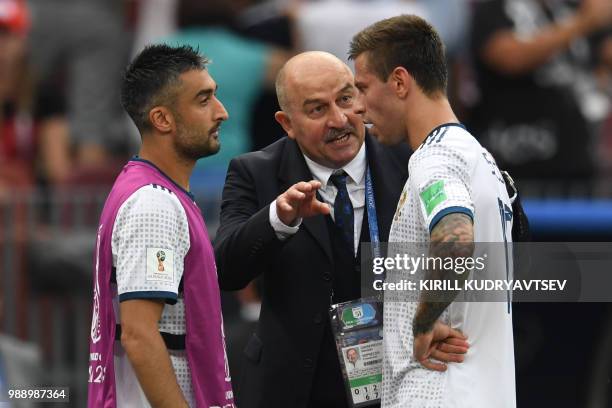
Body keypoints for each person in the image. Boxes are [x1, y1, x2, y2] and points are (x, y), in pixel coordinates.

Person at [214, 51, 467, 408]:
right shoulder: (255, 172)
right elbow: (225, 269)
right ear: (287, 123)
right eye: (317, 109)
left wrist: (433, 315)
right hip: (291, 389)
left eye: (346, 99)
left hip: (399, 381)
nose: (339, 119)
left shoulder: (413, 158)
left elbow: (486, 245)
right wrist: (278, 219)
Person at [350, 15, 514, 407]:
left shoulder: (436, 157)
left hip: (441, 389)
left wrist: (422, 323)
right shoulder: (480, 158)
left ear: (400, 82)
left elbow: (456, 238)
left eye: (362, 88)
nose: (357, 106)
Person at [87, 44, 235, 408]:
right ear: (162, 119)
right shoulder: (154, 204)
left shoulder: (150, 191)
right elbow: (139, 336)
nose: (222, 112)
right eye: (203, 101)